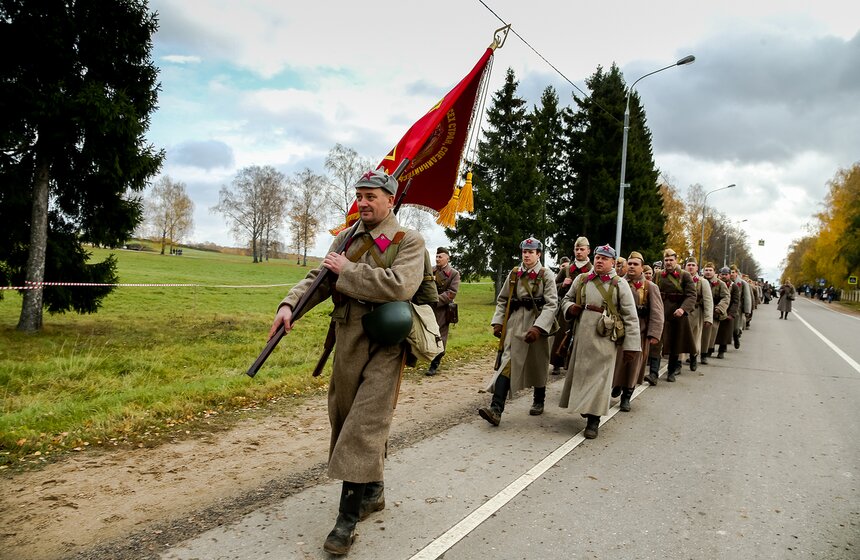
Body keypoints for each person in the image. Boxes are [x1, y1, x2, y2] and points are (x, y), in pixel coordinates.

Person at [268, 169, 426, 556]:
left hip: (386, 344)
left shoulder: (409, 241)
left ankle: (346, 520)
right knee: (343, 417)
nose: (364, 202)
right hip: (347, 339)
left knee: (363, 425)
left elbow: (401, 285)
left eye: (372, 196)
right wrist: (290, 305)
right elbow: (320, 278)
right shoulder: (348, 236)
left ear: (391, 200)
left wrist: (349, 271)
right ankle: (372, 489)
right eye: (360, 195)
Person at [559, 244, 640, 439]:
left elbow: (630, 316)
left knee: (600, 379)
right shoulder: (582, 278)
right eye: (597, 257)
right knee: (581, 375)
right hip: (581, 336)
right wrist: (570, 308)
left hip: (605, 339)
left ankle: (593, 422)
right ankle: (585, 407)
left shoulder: (619, 284)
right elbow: (566, 299)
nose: (599, 261)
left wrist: (631, 346)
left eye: (604, 258)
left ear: (613, 262)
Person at [480, 236, 558, 425]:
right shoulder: (514, 274)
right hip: (515, 324)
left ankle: (539, 400)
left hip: (539, 323)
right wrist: (498, 322)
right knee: (507, 362)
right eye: (524, 251)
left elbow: (552, 304)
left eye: (531, 252)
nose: (527, 255)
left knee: (538, 364)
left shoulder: (546, 275)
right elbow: (502, 300)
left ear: (538, 254)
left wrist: (538, 328)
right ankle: (496, 409)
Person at [611, 251, 663, 408]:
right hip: (619, 329)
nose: (632, 266)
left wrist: (654, 334)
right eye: (630, 263)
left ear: (642, 267)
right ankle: (617, 385)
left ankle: (627, 396)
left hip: (640, 331)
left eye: (636, 264)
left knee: (634, 366)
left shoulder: (650, 287)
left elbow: (657, 312)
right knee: (617, 362)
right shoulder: (618, 282)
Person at [550, 237, 593, 375]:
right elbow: (553, 288)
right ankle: (557, 363)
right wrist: (562, 285)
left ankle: (576, 363)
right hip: (567, 307)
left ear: (588, 251)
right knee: (562, 333)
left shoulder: (592, 270)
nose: (579, 252)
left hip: (584, 308)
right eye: (576, 249)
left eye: (582, 249)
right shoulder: (567, 269)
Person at [656, 249, 697, 382]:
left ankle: (671, 372)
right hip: (661, 312)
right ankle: (653, 373)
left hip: (677, 314)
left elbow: (692, 295)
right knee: (656, 342)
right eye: (666, 260)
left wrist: (683, 309)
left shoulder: (684, 275)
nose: (668, 263)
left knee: (675, 343)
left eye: (671, 260)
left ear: (676, 260)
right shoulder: (658, 275)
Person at [426, 247, 460, 375]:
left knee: (440, 337)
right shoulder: (430, 270)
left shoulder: (453, 273)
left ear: (447, 258)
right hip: (428, 308)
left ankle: (434, 364)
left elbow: (452, 293)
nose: (437, 259)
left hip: (443, 309)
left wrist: (434, 300)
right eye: (436, 256)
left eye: (440, 256)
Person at [683, 257, 713, 370]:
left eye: (693, 265)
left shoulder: (702, 282)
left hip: (696, 312)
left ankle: (693, 357)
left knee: (694, 337)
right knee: (681, 337)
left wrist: (708, 318)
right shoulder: (680, 279)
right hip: (682, 312)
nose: (690, 267)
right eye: (688, 265)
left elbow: (708, 301)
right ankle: (677, 363)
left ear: (697, 268)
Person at [702, 262, 729, 360]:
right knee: (698, 334)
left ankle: (705, 353)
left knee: (710, 334)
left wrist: (719, 308)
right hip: (701, 309)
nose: (708, 272)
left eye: (710, 270)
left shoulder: (720, 284)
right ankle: (695, 353)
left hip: (714, 312)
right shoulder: (699, 281)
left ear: (714, 272)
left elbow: (726, 297)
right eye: (706, 270)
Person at [714, 267, 740, 358]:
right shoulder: (715, 283)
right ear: (719, 275)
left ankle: (722, 350)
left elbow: (736, 301)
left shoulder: (734, 286)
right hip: (716, 310)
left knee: (724, 333)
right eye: (722, 274)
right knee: (713, 331)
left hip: (728, 312)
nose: (724, 276)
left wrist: (731, 314)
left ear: (729, 275)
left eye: (726, 274)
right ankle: (709, 349)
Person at [730, 266, 752, 348]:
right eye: (730, 272)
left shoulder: (742, 283)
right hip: (727, 307)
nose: (731, 274)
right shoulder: (725, 281)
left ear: (736, 273)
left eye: (733, 272)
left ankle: (736, 337)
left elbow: (747, 297)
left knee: (736, 327)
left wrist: (747, 310)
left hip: (738, 308)